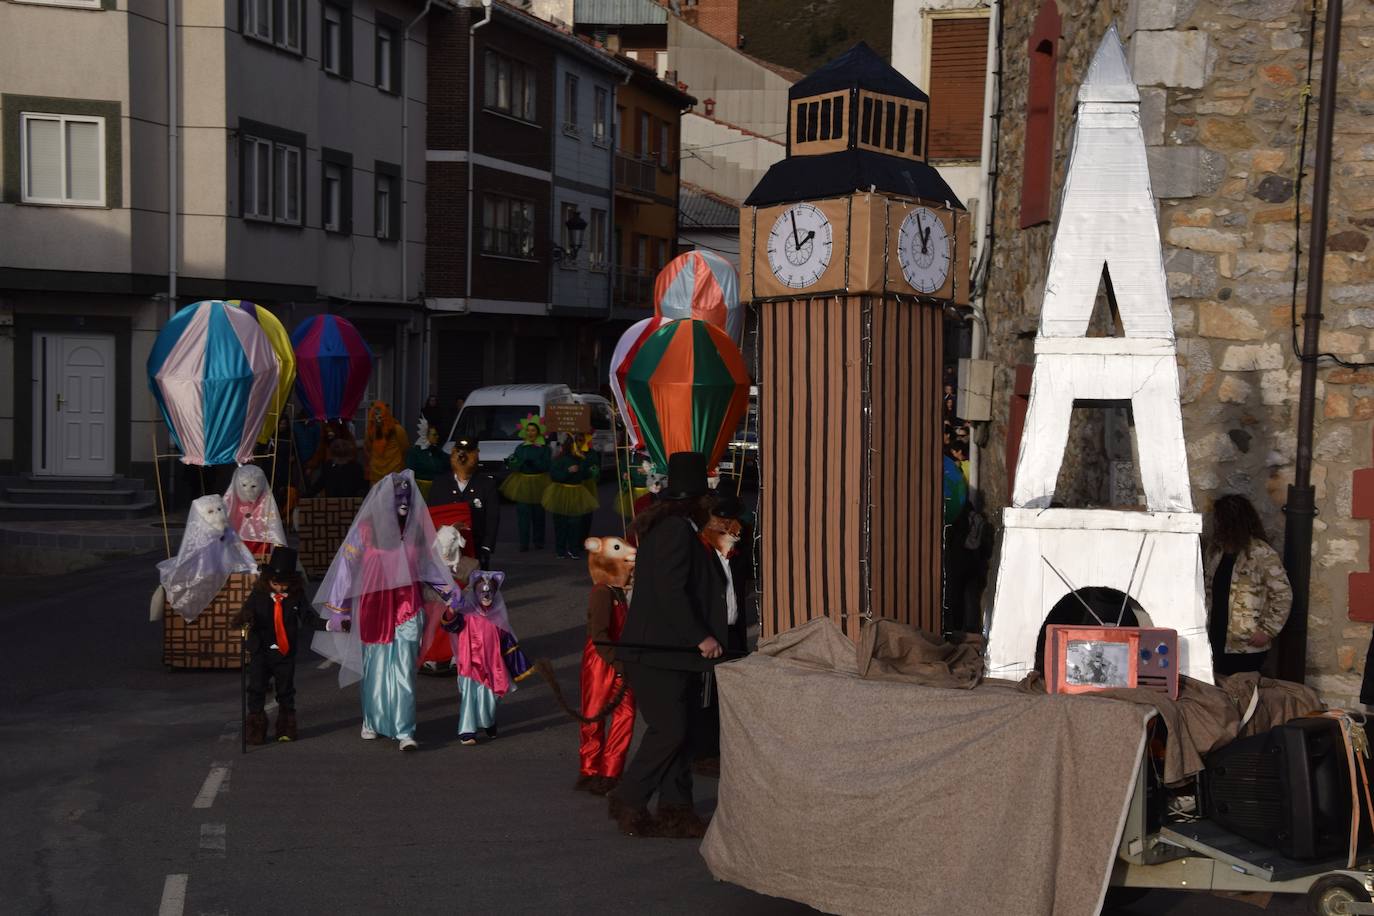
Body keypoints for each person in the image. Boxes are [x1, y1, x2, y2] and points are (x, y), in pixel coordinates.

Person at [607, 451, 729, 839]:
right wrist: (700, 636)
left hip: (668, 652)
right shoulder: (675, 531)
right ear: (697, 499)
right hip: (657, 652)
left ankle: (676, 810)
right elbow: (670, 591)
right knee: (670, 730)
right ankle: (629, 797)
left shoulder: (675, 528)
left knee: (680, 730)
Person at [312, 471, 464, 751]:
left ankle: (405, 730)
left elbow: (428, 566)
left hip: (408, 607)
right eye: (398, 497)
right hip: (374, 607)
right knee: (376, 668)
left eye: (407, 497)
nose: (404, 502)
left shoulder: (416, 532)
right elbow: (346, 568)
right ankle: (372, 720)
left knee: (405, 668)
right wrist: (339, 609)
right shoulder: (365, 531)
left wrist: (449, 590)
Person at [237, 547, 347, 744]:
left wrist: (331, 624)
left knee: (286, 691)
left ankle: (286, 728)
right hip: (261, 650)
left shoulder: (296, 595)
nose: (280, 588)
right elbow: (246, 612)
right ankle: (255, 729)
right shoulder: (259, 594)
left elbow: (308, 618)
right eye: (275, 584)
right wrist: (246, 618)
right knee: (256, 689)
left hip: (284, 652)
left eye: (284, 584)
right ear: (268, 580)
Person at [1204, 494, 1293, 676]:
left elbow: (1283, 594)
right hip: (1215, 637)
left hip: (1246, 645)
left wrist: (1267, 630)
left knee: (1243, 689)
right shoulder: (1215, 552)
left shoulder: (1261, 553)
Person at [576, 535, 638, 795]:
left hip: (619, 659)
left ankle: (611, 771)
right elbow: (599, 635)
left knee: (627, 715)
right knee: (594, 716)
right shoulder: (602, 593)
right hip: (601, 662)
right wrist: (619, 662)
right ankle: (590, 769)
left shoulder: (618, 592)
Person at [445, 570, 531, 745]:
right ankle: (467, 731)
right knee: (469, 697)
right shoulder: (466, 613)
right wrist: (452, 609)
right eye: (482, 591)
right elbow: (450, 625)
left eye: (490, 591)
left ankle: (488, 721)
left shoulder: (498, 616)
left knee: (491, 698)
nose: (486, 594)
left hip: (493, 665)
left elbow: (507, 641)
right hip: (469, 664)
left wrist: (517, 665)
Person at [427, 437, 500, 570]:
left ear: (476, 454)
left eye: (468, 452)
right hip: (446, 549)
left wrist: (487, 546)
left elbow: (492, 518)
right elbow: (431, 516)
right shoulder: (440, 483)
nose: (462, 456)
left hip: (476, 548)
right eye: (459, 451)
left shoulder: (486, 484)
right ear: (453, 453)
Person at [500, 414, 552, 552]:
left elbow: (547, 465)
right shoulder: (520, 448)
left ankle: (538, 541)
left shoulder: (544, 448)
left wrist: (535, 463)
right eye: (528, 430)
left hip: (539, 483)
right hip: (523, 483)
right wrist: (512, 462)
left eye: (533, 430)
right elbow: (515, 464)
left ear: (538, 432)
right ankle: (524, 543)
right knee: (523, 514)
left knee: (539, 514)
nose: (530, 433)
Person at [544, 434, 600, 559]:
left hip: (577, 492)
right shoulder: (559, 459)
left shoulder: (581, 459)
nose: (580, 446)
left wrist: (592, 471)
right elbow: (554, 476)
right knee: (560, 522)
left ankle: (573, 549)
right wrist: (568, 471)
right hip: (561, 492)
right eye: (577, 443)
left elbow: (585, 475)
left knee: (576, 522)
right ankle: (560, 549)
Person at [223, 465, 286, 561]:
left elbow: (273, 526)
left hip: (260, 550)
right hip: (235, 550)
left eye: (254, 486)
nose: (248, 490)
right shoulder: (229, 503)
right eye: (244, 485)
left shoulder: (265, 502)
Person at [365, 401, 409, 483]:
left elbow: (404, 448)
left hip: (391, 477)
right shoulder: (371, 431)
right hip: (379, 477)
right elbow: (404, 448)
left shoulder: (397, 430)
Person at [405, 418, 449, 499]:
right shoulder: (415, 453)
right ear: (426, 435)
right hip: (420, 492)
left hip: (436, 489)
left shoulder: (437, 452)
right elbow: (409, 473)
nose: (437, 437)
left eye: (437, 434)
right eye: (434, 435)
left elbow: (447, 462)